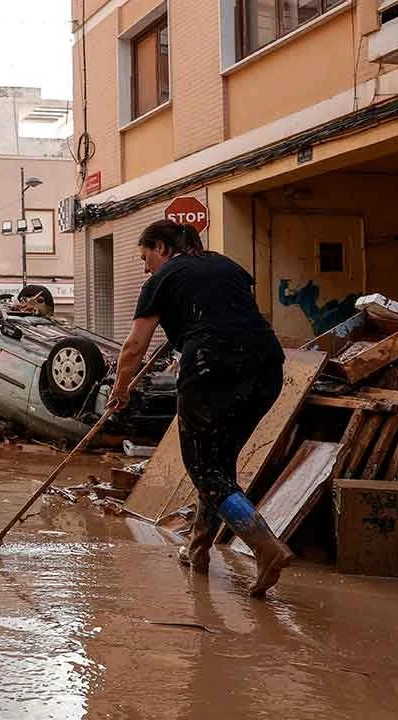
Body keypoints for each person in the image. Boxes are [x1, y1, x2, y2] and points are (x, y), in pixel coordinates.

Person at [107, 219, 292, 597]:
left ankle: (264, 545)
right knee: (219, 464)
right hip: (267, 367)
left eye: (146, 257)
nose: (145, 268)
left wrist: (121, 389)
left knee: (202, 466)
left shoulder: (162, 278)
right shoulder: (228, 266)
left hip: (210, 367)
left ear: (162, 248)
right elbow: (230, 315)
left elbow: (133, 347)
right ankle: (199, 548)